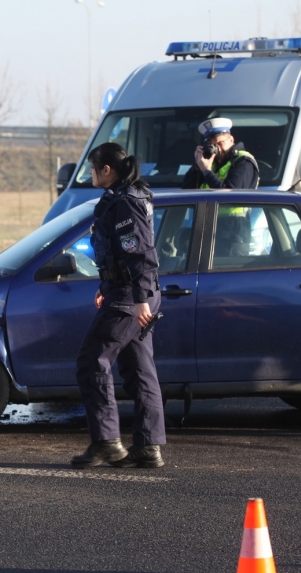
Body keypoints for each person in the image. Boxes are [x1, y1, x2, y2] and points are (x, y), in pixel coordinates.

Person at [72, 143, 166, 469]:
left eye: (93, 168)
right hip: (126, 292)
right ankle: (148, 447)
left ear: (107, 170)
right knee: (140, 370)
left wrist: (140, 299)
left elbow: (140, 253)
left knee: (91, 361)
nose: (90, 174)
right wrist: (105, 285)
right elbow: (115, 251)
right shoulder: (125, 196)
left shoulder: (126, 203)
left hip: (130, 298)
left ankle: (107, 442)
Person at [183, 117, 259, 189]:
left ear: (231, 140)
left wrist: (206, 171)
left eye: (220, 143)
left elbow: (230, 196)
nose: (217, 148)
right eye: (212, 145)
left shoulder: (244, 161)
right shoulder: (211, 162)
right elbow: (186, 190)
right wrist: (198, 165)